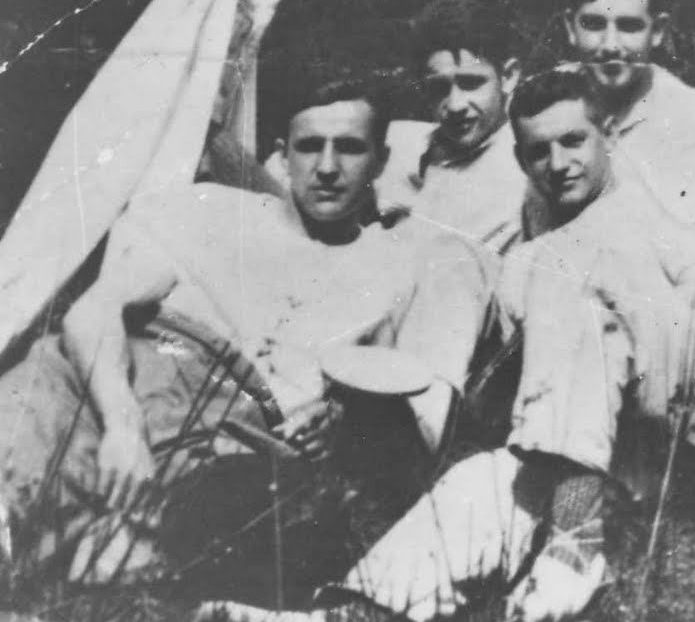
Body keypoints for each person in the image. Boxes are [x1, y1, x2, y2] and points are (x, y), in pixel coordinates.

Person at [196, 66, 695, 622]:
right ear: (521, 161)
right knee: (495, 475)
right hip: (628, 445)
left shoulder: (662, 211)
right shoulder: (534, 245)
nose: (559, 163)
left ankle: (577, 546)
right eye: (539, 151)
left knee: (578, 270)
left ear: (605, 135)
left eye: (574, 141)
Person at [0, 74, 485, 581]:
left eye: (349, 148)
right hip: (121, 376)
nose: (326, 167)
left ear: (381, 160)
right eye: (309, 147)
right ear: (283, 154)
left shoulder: (394, 266)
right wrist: (123, 426)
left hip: (235, 436)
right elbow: (94, 310)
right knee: (20, 448)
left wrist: (342, 422)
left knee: (181, 527)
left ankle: (111, 551)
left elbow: (406, 415)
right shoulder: (213, 212)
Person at [548, 0, 695, 239]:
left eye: (629, 26)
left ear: (658, 30)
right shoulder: (539, 106)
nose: (610, 45)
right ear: (570, 27)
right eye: (594, 24)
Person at [375, 0, 529, 255]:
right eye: (439, 88)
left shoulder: (524, 170)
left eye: (471, 83)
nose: (456, 105)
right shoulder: (401, 145)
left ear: (508, 76)